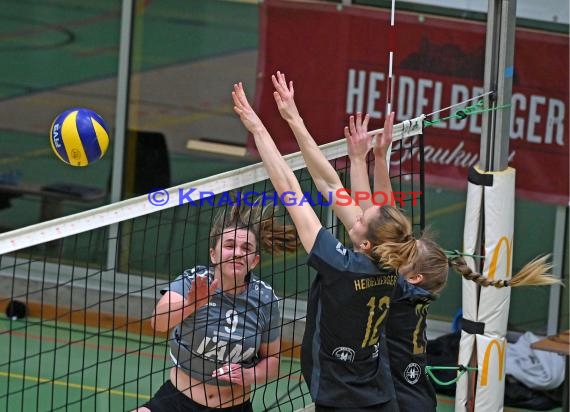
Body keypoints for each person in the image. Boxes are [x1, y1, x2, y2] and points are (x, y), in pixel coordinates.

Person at [345, 109, 562, 412]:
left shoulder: (393, 289)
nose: (397, 247)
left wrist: (358, 160)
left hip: (398, 402)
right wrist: (379, 158)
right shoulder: (410, 291)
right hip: (415, 398)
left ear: (414, 276)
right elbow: (383, 214)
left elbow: (369, 215)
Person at [232, 75, 405, 411]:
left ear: (366, 243)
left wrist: (258, 128)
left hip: (339, 399)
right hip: (376, 396)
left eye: (361, 218)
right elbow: (328, 183)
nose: (356, 215)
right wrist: (293, 118)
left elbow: (290, 191)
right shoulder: (390, 265)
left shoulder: (342, 267)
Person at [137, 201, 297, 412]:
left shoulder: (265, 299)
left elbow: (272, 360)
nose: (238, 253)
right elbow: (158, 323)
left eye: (246, 248)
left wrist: (251, 375)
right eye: (230, 246)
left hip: (234, 407)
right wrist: (191, 304)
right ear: (213, 254)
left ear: (255, 261)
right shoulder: (193, 281)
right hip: (177, 403)